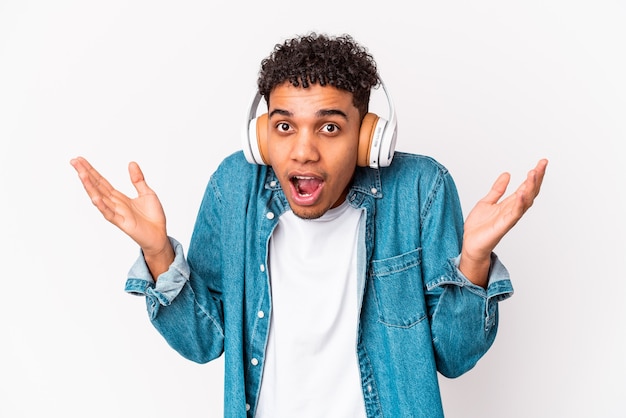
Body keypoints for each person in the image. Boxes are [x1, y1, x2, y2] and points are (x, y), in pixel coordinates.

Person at [70, 33, 548, 418]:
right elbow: (203, 341)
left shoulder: (420, 189)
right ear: (260, 137)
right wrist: (158, 253)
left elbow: (453, 356)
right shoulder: (234, 185)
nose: (303, 151)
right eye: (284, 127)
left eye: (329, 127)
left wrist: (474, 262)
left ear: (368, 138)